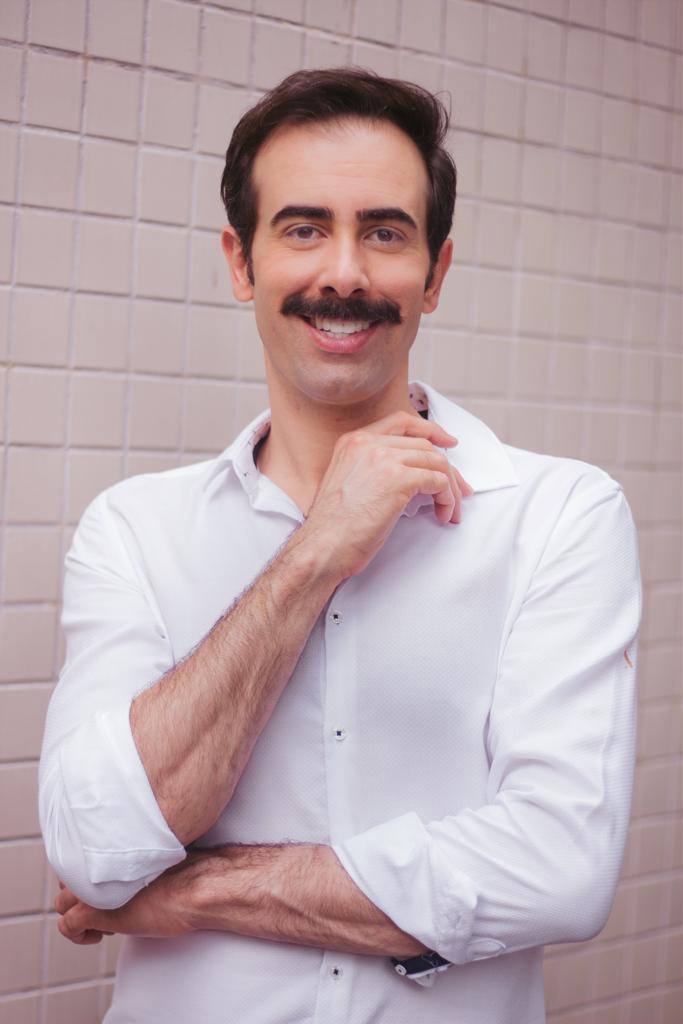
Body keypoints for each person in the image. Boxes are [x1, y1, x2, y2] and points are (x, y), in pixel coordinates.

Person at [40, 69, 641, 1024]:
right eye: (303, 228)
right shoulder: (133, 530)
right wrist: (316, 550)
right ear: (241, 262)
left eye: (385, 232)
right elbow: (92, 849)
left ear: (435, 274)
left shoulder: (560, 515)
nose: (345, 273)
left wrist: (190, 891)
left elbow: (558, 869)